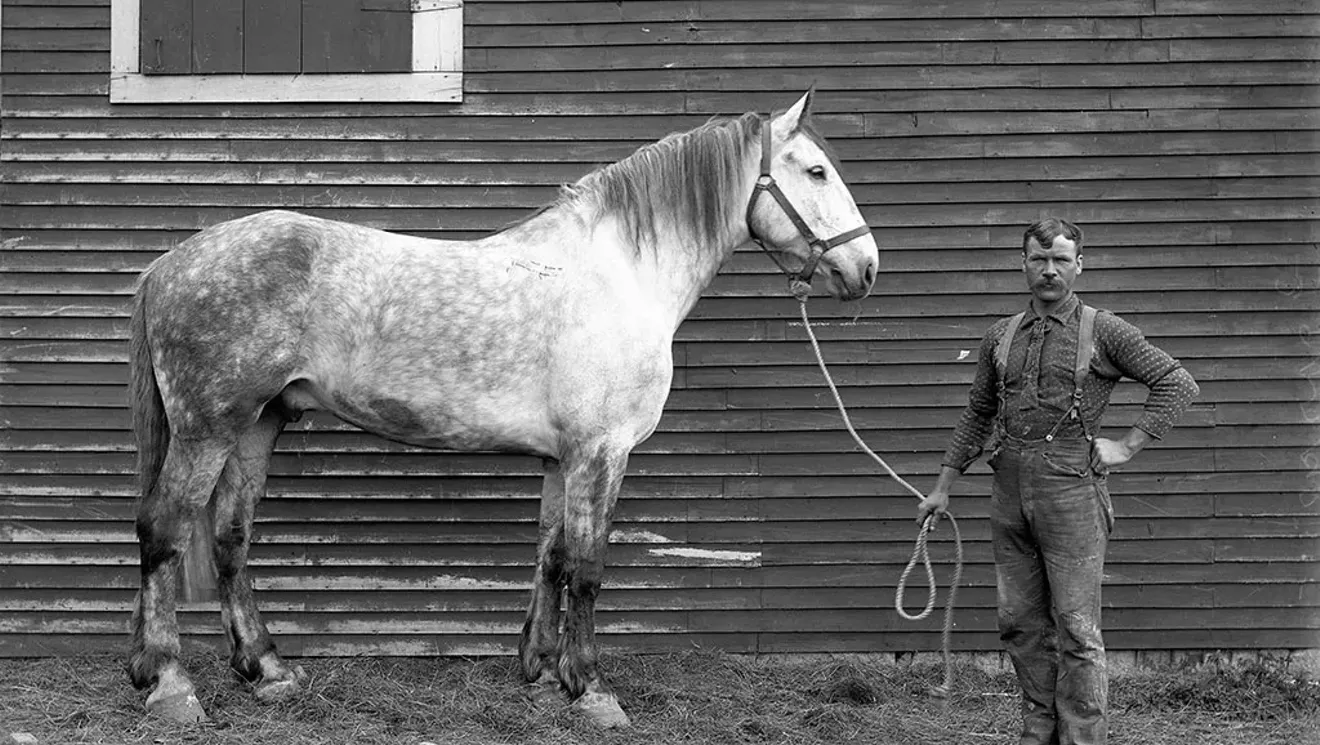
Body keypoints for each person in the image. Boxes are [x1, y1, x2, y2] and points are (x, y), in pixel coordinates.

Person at [917, 217, 1199, 745]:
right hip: (1008, 490)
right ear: (1023, 264)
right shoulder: (1000, 335)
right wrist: (943, 487)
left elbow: (1177, 382)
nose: (1049, 270)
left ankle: (1083, 738)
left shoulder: (1105, 330)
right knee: (1020, 623)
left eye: (1061, 260)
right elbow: (978, 413)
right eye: (1039, 259)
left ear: (1079, 265)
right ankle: (1038, 731)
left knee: (1076, 628)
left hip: (1073, 490)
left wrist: (1126, 446)